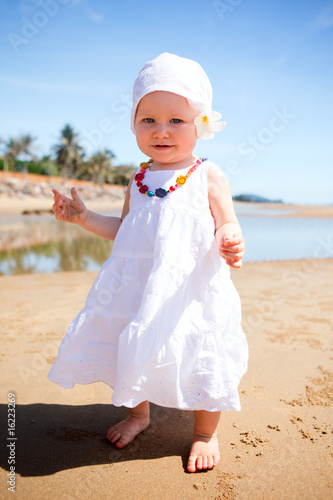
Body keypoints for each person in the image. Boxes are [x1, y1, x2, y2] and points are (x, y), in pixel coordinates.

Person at [48, 52, 248, 473]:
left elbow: (226, 221)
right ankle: (139, 414)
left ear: (201, 124)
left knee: (200, 348)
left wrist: (229, 236)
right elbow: (125, 229)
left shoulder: (207, 175)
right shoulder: (137, 180)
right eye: (148, 120)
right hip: (137, 285)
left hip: (188, 289)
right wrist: (83, 218)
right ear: (134, 124)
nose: (161, 131)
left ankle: (205, 432)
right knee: (131, 340)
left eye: (176, 120)